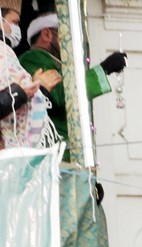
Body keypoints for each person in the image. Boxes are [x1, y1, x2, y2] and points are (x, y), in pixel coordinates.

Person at [19, 12, 127, 154]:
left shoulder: (54, 61)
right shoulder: (34, 57)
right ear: (46, 34)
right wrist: (104, 68)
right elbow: (61, 95)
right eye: (65, 36)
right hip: (52, 149)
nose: (69, 44)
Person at [0, 1, 61, 148]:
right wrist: (19, 93)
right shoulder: (33, 57)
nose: (16, 29)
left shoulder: (7, 53)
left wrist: (31, 92)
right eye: (14, 22)